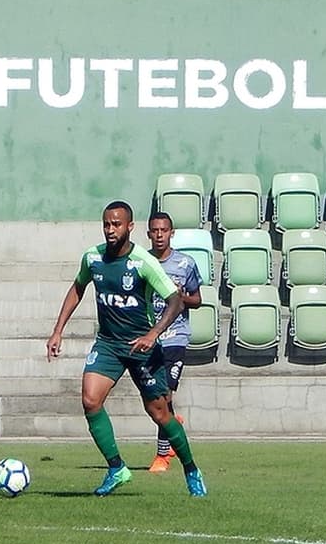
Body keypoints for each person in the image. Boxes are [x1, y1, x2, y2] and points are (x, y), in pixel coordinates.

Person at [46, 200, 207, 497]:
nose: (110, 229)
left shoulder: (144, 262)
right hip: (108, 343)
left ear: (130, 227)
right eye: (107, 224)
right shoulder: (92, 258)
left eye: (117, 224)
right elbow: (78, 288)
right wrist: (58, 331)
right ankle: (117, 467)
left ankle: (191, 468)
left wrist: (153, 333)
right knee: (90, 400)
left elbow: (174, 300)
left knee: (159, 413)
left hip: (141, 346)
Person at [146, 212, 203, 474]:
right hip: (151, 338)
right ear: (148, 233)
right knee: (158, 401)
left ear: (172, 233)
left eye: (164, 230)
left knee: (165, 394)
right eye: (155, 231)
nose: (159, 235)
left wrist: (180, 298)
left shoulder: (185, 264)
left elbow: (197, 299)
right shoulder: (142, 262)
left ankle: (162, 456)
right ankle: (173, 421)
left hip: (176, 337)